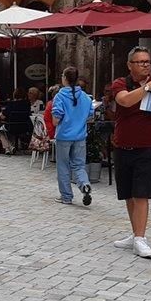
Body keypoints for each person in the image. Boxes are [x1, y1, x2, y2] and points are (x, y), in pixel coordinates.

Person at [108, 48, 151, 258]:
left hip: (147, 146)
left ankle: (141, 238)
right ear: (130, 65)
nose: (145, 65)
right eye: (140, 62)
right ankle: (135, 234)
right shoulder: (120, 83)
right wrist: (149, 87)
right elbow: (124, 100)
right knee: (128, 194)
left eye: (148, 61)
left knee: (141, 193)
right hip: (123, 146)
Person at [50, 66, 94, 206]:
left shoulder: (60, 96)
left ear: (65, 78)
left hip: (64, 136)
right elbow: (90, 117)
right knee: (79, 165)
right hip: (80, 136)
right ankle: (84, 184)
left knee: (63, 166)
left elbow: (56, 120)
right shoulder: (86, 97)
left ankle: (66, 196)